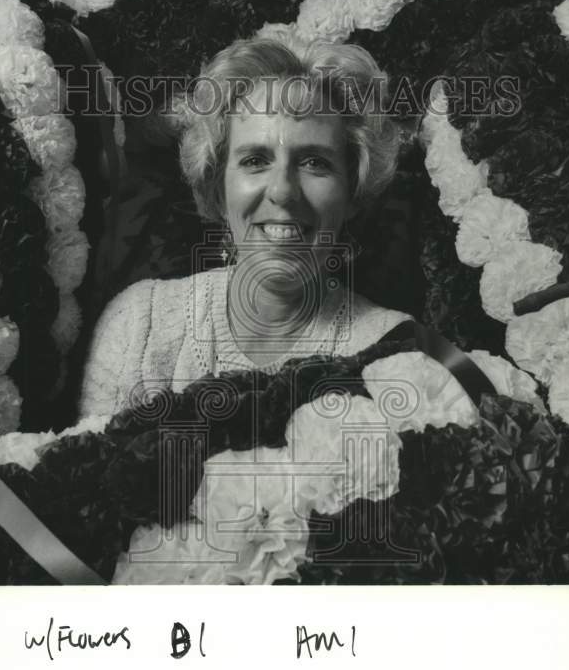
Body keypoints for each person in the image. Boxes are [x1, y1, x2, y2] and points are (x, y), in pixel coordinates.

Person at [79, 36, 414, 420]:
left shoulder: (396, 348)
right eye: (255, 160)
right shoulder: (138, 325)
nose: (283, 191)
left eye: (315, 162)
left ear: (353, 191)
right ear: (216, 187)